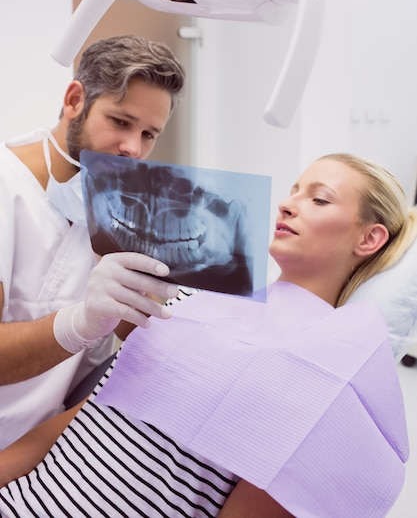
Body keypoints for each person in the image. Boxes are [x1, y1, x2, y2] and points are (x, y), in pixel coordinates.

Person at [1, 152, 416, 518]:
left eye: (319, 199)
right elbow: (89, 420)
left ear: (370, 237)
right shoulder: (186, 299)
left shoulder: (323, 385)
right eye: (293, 191)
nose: (288, 205)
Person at [0, 35, 185, 449]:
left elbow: (137, 333)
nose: (132, 149)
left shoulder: (114, 203)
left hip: (45, 453)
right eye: (121, 122)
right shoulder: (7, 187)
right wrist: (81, 323)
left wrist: (139, 271)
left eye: (149, 134)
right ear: (74, 100)